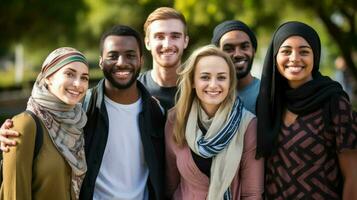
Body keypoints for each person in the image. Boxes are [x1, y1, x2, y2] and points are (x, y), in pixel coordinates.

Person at [0, 25, 166, 200]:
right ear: (101, 61)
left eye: (83, 78)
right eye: (113, 56)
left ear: (140, 60)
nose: (121, 62)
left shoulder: (156, 112)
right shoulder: (85, 108)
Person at [256, 21, 357, 199]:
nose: (294, 58)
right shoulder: (270, 103)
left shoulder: (334, 102)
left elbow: (353, 175)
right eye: (286, 51)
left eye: (304, 51)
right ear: (275, 56)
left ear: (315, 56)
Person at [165, 45, 264, 200]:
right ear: (192, 81)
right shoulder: (175, 120)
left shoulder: (247, 124)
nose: (213, 84)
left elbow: (252, 194)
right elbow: (170, 185)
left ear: (230, 82)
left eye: (221, 77)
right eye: (205, 77)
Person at [0, 47, 89, 200]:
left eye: (84, 78)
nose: (78, 83)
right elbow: (14, 193)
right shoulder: (25, 125)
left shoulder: (78, 123)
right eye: (69, 74)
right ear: (48, 77)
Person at [138, 7, 189, 111]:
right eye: (159, 37)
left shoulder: (199, 89)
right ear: (147, 43)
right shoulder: (134, 90)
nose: (167, 45)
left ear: (185, 42)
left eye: (175, 36)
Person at [211, 20, 259, 114]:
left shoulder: (268, 94)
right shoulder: (207, 95)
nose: (238, 54)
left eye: (244, 47)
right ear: (217, 54)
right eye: (228, 49)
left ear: (253, 51)